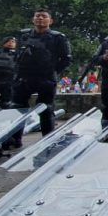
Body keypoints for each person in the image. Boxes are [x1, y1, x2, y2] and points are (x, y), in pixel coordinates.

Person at [10, 8, 72, 140]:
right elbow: (16, 55)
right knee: (17, 108)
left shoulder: (58, 37)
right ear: (33, 19)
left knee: (46, 109)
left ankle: (48, 140)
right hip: (24, 77)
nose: (40, 18)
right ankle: (15, 140)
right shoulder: (24, 35)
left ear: (50, 20)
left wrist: (53, 70)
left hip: (45, 78)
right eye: (37, 16)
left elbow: (66, 59)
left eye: (44, 16)